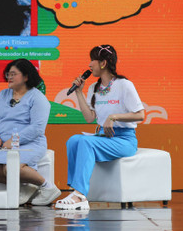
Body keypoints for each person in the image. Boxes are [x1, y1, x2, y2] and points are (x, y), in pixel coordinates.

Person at [55, 44, 145, 210]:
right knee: (74, 140)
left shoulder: (124, 85)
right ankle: (75, 189)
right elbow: (89, 118)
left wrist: (113, 117)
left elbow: (140, 115)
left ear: (103, 63)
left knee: (85, 143)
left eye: (92, 60)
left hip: (123, 139)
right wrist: (79, 92)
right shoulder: (93, 88)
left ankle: (80, 195)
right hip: (103, 136)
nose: (89, 65)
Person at [0, 59, 60, 205]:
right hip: (1, 143)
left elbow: (37, 127)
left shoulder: (38, 98)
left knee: (11, 167)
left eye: (14, 74)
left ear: (26, 76)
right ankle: (25, 186)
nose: (9, 77)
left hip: (30, 142)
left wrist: (14, 141)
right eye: (8, 74)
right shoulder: (2, 95)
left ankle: (47, 186)